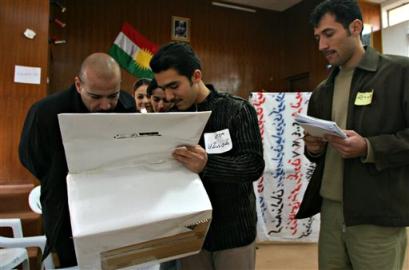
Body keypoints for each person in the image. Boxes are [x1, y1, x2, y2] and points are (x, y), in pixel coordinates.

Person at [296, 1, 409, 269]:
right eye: (317, 37)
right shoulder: (323, 90)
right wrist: (314, 148)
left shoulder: (399, 73)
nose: (321, 45)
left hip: (377, 213)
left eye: (329, 33)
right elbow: (317, 154)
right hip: (331, 211)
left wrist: (369, 147)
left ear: (355, 27)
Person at [150, 42, 265, 270]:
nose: (169, 96)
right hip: (190, 232)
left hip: (234, 232)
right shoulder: (170, 118)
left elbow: (253, 166)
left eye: (174, 86)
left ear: (196, 75)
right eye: (164, 88)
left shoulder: (236, 110)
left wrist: (208, 165)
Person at [19, 53, 136, 267]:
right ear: (78, 85)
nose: (105, 105)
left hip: (113, 203)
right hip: (66, 207)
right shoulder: (44, 112)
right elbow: (32, 158)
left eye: (112, 96)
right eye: (96, 96)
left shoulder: (127, 106)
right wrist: (59, 173)